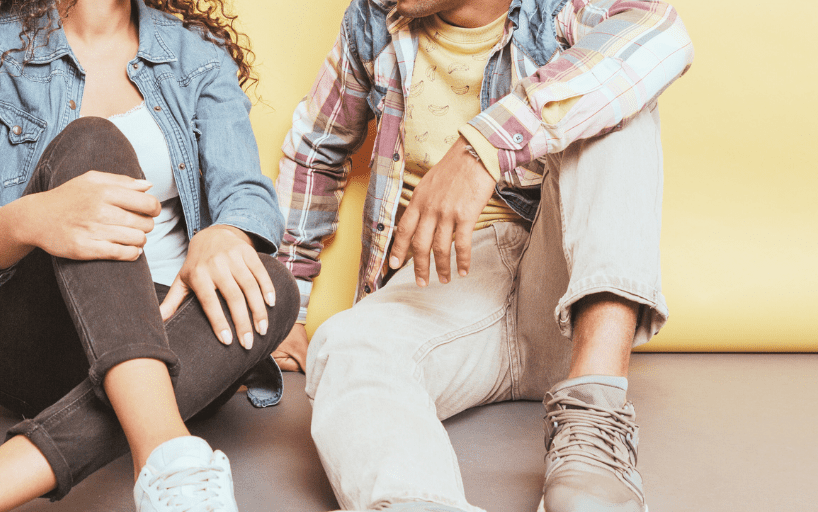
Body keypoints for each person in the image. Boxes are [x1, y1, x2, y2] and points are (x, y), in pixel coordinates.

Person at [275, 0, 694, 510]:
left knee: (620, 94)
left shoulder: (561, 10)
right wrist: (288, 300)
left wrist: (484, 147)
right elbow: (315, 149)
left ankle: (592, 431)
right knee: (345, 345)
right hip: (445, 292)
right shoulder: (374, 18)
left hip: (567, 296)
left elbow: (660, 31)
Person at [0, 0, 299, 510]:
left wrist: (229, 233)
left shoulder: (197, 55)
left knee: (273, 284)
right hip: (34, 335)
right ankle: (163, 444)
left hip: (178, 337)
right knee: (92, 141)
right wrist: (37, 218)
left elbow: (245, 192)